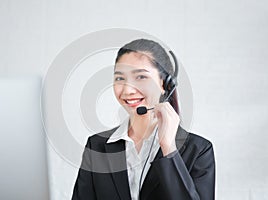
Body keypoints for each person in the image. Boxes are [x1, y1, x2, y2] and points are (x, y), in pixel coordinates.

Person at [72, 39, 215, 200]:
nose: (127, 90)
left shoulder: (198, 150)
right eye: (120, 78)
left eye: (140, 77)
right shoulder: (96, 146)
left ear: (165, 84)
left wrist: (169, 149)